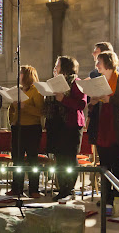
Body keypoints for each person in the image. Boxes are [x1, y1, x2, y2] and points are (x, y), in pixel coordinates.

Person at [87, 51, 119, 201]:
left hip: (115, 128)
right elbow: (92, 106)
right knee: (104, 166)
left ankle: (117, 196)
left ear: (108, 63)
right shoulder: (99, 81)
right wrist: (93, 103)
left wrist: (111, 100)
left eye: (99, 62)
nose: (96, 65)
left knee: (116, 166)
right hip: (101, 128)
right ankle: (106, 197)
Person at [45, 56, 87, 201]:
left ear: (65, 67)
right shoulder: (54, 83)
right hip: (56, 125)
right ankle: (62, 188)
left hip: (70, 125)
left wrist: (64, 99)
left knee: (69, 158)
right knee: (59, 158)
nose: (55, 68)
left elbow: (81, 104)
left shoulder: (76, 82)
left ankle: (69, 189)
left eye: (57, 65)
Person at [7, 65, 44, 198]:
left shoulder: (36, 90)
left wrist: (25, 106)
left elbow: (41, 111)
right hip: (17, 128)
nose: (19, 76)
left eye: (21, 73)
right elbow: (11, 109)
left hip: (32, 128)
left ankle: (34, 189)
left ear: (27, 75)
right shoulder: (18, 90)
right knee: (17, 159)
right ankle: (16, 188)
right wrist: (12, 120)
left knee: (32, 159)